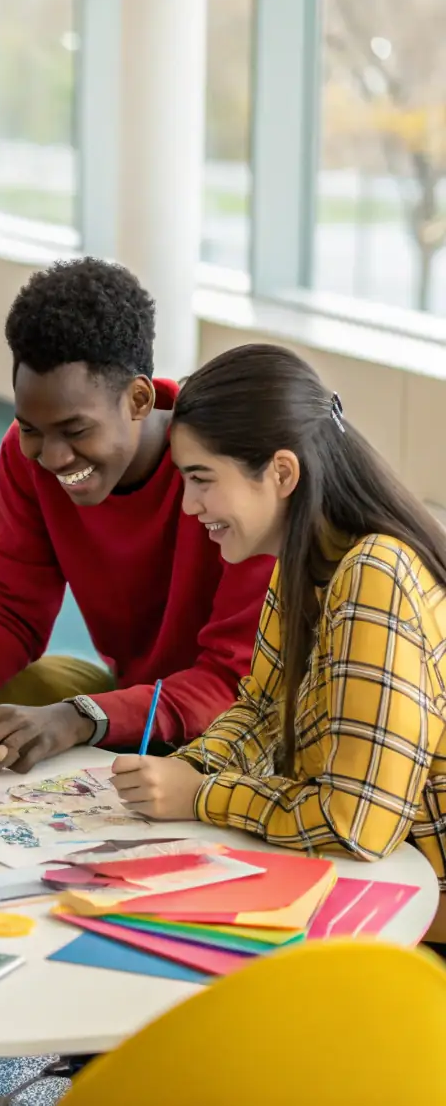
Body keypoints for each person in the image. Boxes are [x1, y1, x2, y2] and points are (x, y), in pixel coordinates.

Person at [0, 258, 273, 772]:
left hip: (249, 724)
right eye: (31, 428)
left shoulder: (229, 474)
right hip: (136, 700)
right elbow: (5, 603)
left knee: (47, 716)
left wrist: (82, 717)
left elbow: (235, 684)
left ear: (138, 399)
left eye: (75, 430)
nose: (53, 457)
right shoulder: (29, 459)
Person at [110, 344, 446, 942]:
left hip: (415, 924)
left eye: (202, 480)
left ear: (283, 473)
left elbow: (355, 825)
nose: (189, 507)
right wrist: (183, 770)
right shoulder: (304, 562)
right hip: (375, 897)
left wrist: (203, 796)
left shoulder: (375, 573)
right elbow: (259, 712)